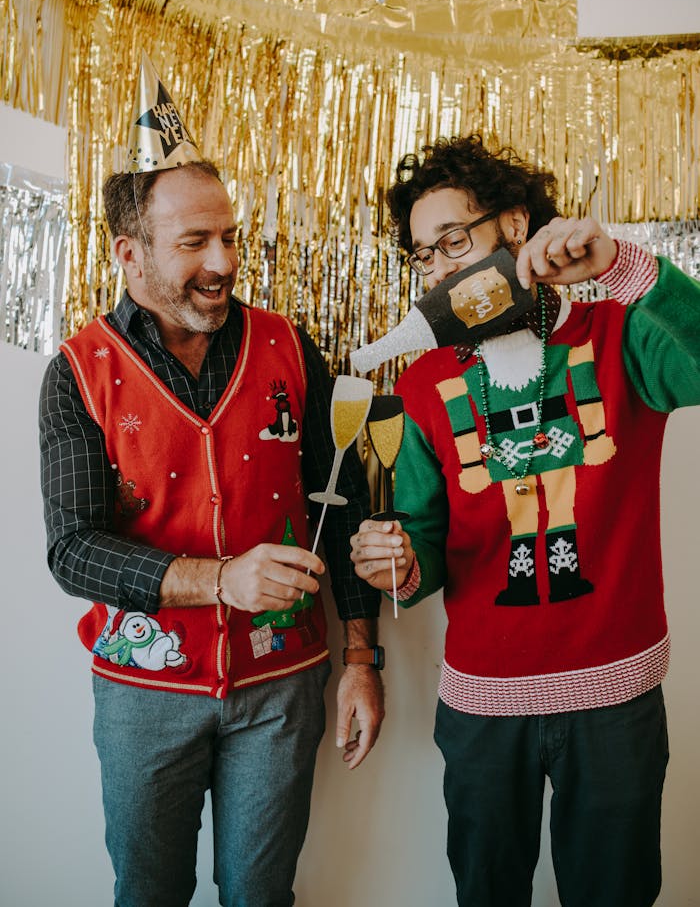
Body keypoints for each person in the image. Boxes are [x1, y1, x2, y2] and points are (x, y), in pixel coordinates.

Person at [39, 60, 384, 907]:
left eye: (228, 236)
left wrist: (363, 659)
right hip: (142, 693)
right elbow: (72, 551)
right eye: (194, 242)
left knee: (261, 897)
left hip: (283, 684)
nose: (224, 261)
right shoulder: (78, 372)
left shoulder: (290, 347)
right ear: (131, 252)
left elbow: (338, 506)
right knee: (148, 894)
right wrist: (219, 580)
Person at [350, 134, 700, 907]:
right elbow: (425, 536)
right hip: (482, 708)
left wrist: (623, 267)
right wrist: (401, 561)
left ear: (515, 227)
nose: (438, 268)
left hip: (615, 697)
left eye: (453, 241)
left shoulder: (620, 331)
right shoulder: (423, 381)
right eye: (422, 255)